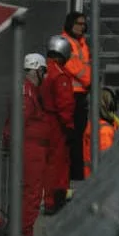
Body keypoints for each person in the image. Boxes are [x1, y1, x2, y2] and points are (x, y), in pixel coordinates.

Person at [0, 52, 56, 236]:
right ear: (37, 70)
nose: (44, 76)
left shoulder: (27, 92)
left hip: (31, 149)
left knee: (29, 194)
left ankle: (22, 235)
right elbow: (18, 123)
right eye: (43, 72)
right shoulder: (27, 94)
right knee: (31, 194)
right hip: (30, 151)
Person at [40, 34, 77, 213]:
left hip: (39, 121)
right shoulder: (60, 76)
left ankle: (46, 199)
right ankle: (54, 200)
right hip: (56, 124)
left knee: (44, 163)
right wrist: (69, 127)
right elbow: (65, 105)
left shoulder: (40, 70)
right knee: (58, 163)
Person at [61, 11, 92, 180]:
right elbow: (74, 67)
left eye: (83, 24)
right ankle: (74, 174)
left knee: (79, 136)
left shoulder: (81, 43)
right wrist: (90, 80)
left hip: (80, 95)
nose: (82, 27)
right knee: (73, 137)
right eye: (78, 24)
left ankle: (77, 172)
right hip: (71, 95)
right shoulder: (66, 43)